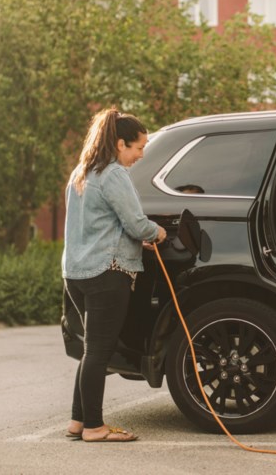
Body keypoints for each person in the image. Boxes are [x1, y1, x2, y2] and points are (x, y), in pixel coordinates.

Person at [62, 108, 167, 443]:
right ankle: (94, 427)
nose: (141, 155)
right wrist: (157, 232)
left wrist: (135, 239)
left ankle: (78, 421)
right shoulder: (114, 173)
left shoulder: (81, 172)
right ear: (121, 144)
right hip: (108, 272)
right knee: (99, 352)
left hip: (76, 273)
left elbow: (98, 225)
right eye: (139, 147)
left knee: (91, 349)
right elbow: (136, 223)